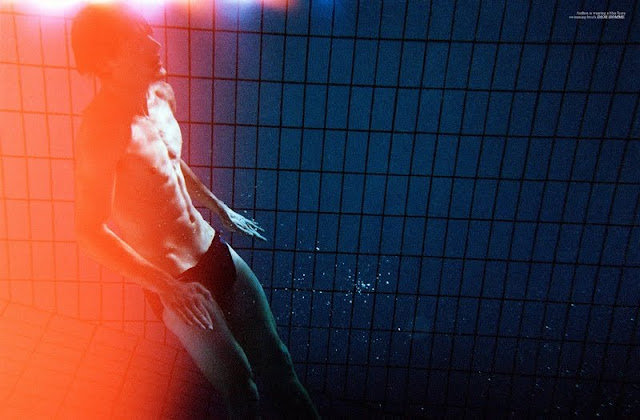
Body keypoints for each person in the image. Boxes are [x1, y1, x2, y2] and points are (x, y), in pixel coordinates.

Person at [71, 4, 319, 419]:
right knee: (241, 387)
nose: (154, 44)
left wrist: (217, 206)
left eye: (148, 32)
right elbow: (89, 231)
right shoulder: (101, 130)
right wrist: (166, 288)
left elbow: (168, 164)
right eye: (137, 39)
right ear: (107, 60)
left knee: (278, 362)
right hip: (175, 279)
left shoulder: (159, 96)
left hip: (212, 247)